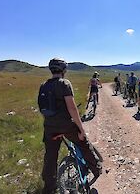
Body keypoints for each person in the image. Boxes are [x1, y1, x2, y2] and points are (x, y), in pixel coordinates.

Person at [39, 58, 102, 194]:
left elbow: (43, 108)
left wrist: (50, 123)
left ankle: (49, 187)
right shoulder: (65, 84)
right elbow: (72, 109)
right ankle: (96, 170)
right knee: (84, 144)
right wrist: (81, 128)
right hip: (66, 125)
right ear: (64, 70)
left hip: (49, 127)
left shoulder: (44, 85)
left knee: (50, 156)